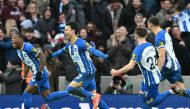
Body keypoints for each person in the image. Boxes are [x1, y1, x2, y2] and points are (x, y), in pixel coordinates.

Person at [111, 27, 180, 108]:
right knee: (142, 96)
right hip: (152, 75)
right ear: (146, 35)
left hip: (150, 80)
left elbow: (130, 66)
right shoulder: (151, 45)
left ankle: (172, 91)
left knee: (152, 103)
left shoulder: (138, 49)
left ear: (136, 36)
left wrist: (116, 72)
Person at [46, 22, 109, 109]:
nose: (64, 32)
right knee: (96, 101)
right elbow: (61, 51)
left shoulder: (81, 43)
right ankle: (94, 98)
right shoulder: (69, 45)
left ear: (73, 31)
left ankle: (92, 96)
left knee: (70, 89)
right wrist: (51, 55)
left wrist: (105, 56)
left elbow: (93, 50)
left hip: (87, 72)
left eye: (66, 30)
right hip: (87, 73)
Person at [11, 32, 69, 109]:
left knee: (26, 93)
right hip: (40, 73)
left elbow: (42, 56)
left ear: (20, 39)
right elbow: (27, 63)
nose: (12, 40)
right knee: (48, 97)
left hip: (40, 72)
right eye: (11, 38)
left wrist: (39, 72)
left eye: (14, 38)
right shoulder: (19, 51)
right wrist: (24, 78)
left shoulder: (28, 47)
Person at [147, 16, 190, 97]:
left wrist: (157, 71)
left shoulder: (159, 37)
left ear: (150, 24)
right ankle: (174, 90)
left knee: (148, 85)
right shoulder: (164, 32)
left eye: (147, 23)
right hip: (175, 67)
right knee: (183, 92)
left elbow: (162, 56)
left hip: (166, 67)